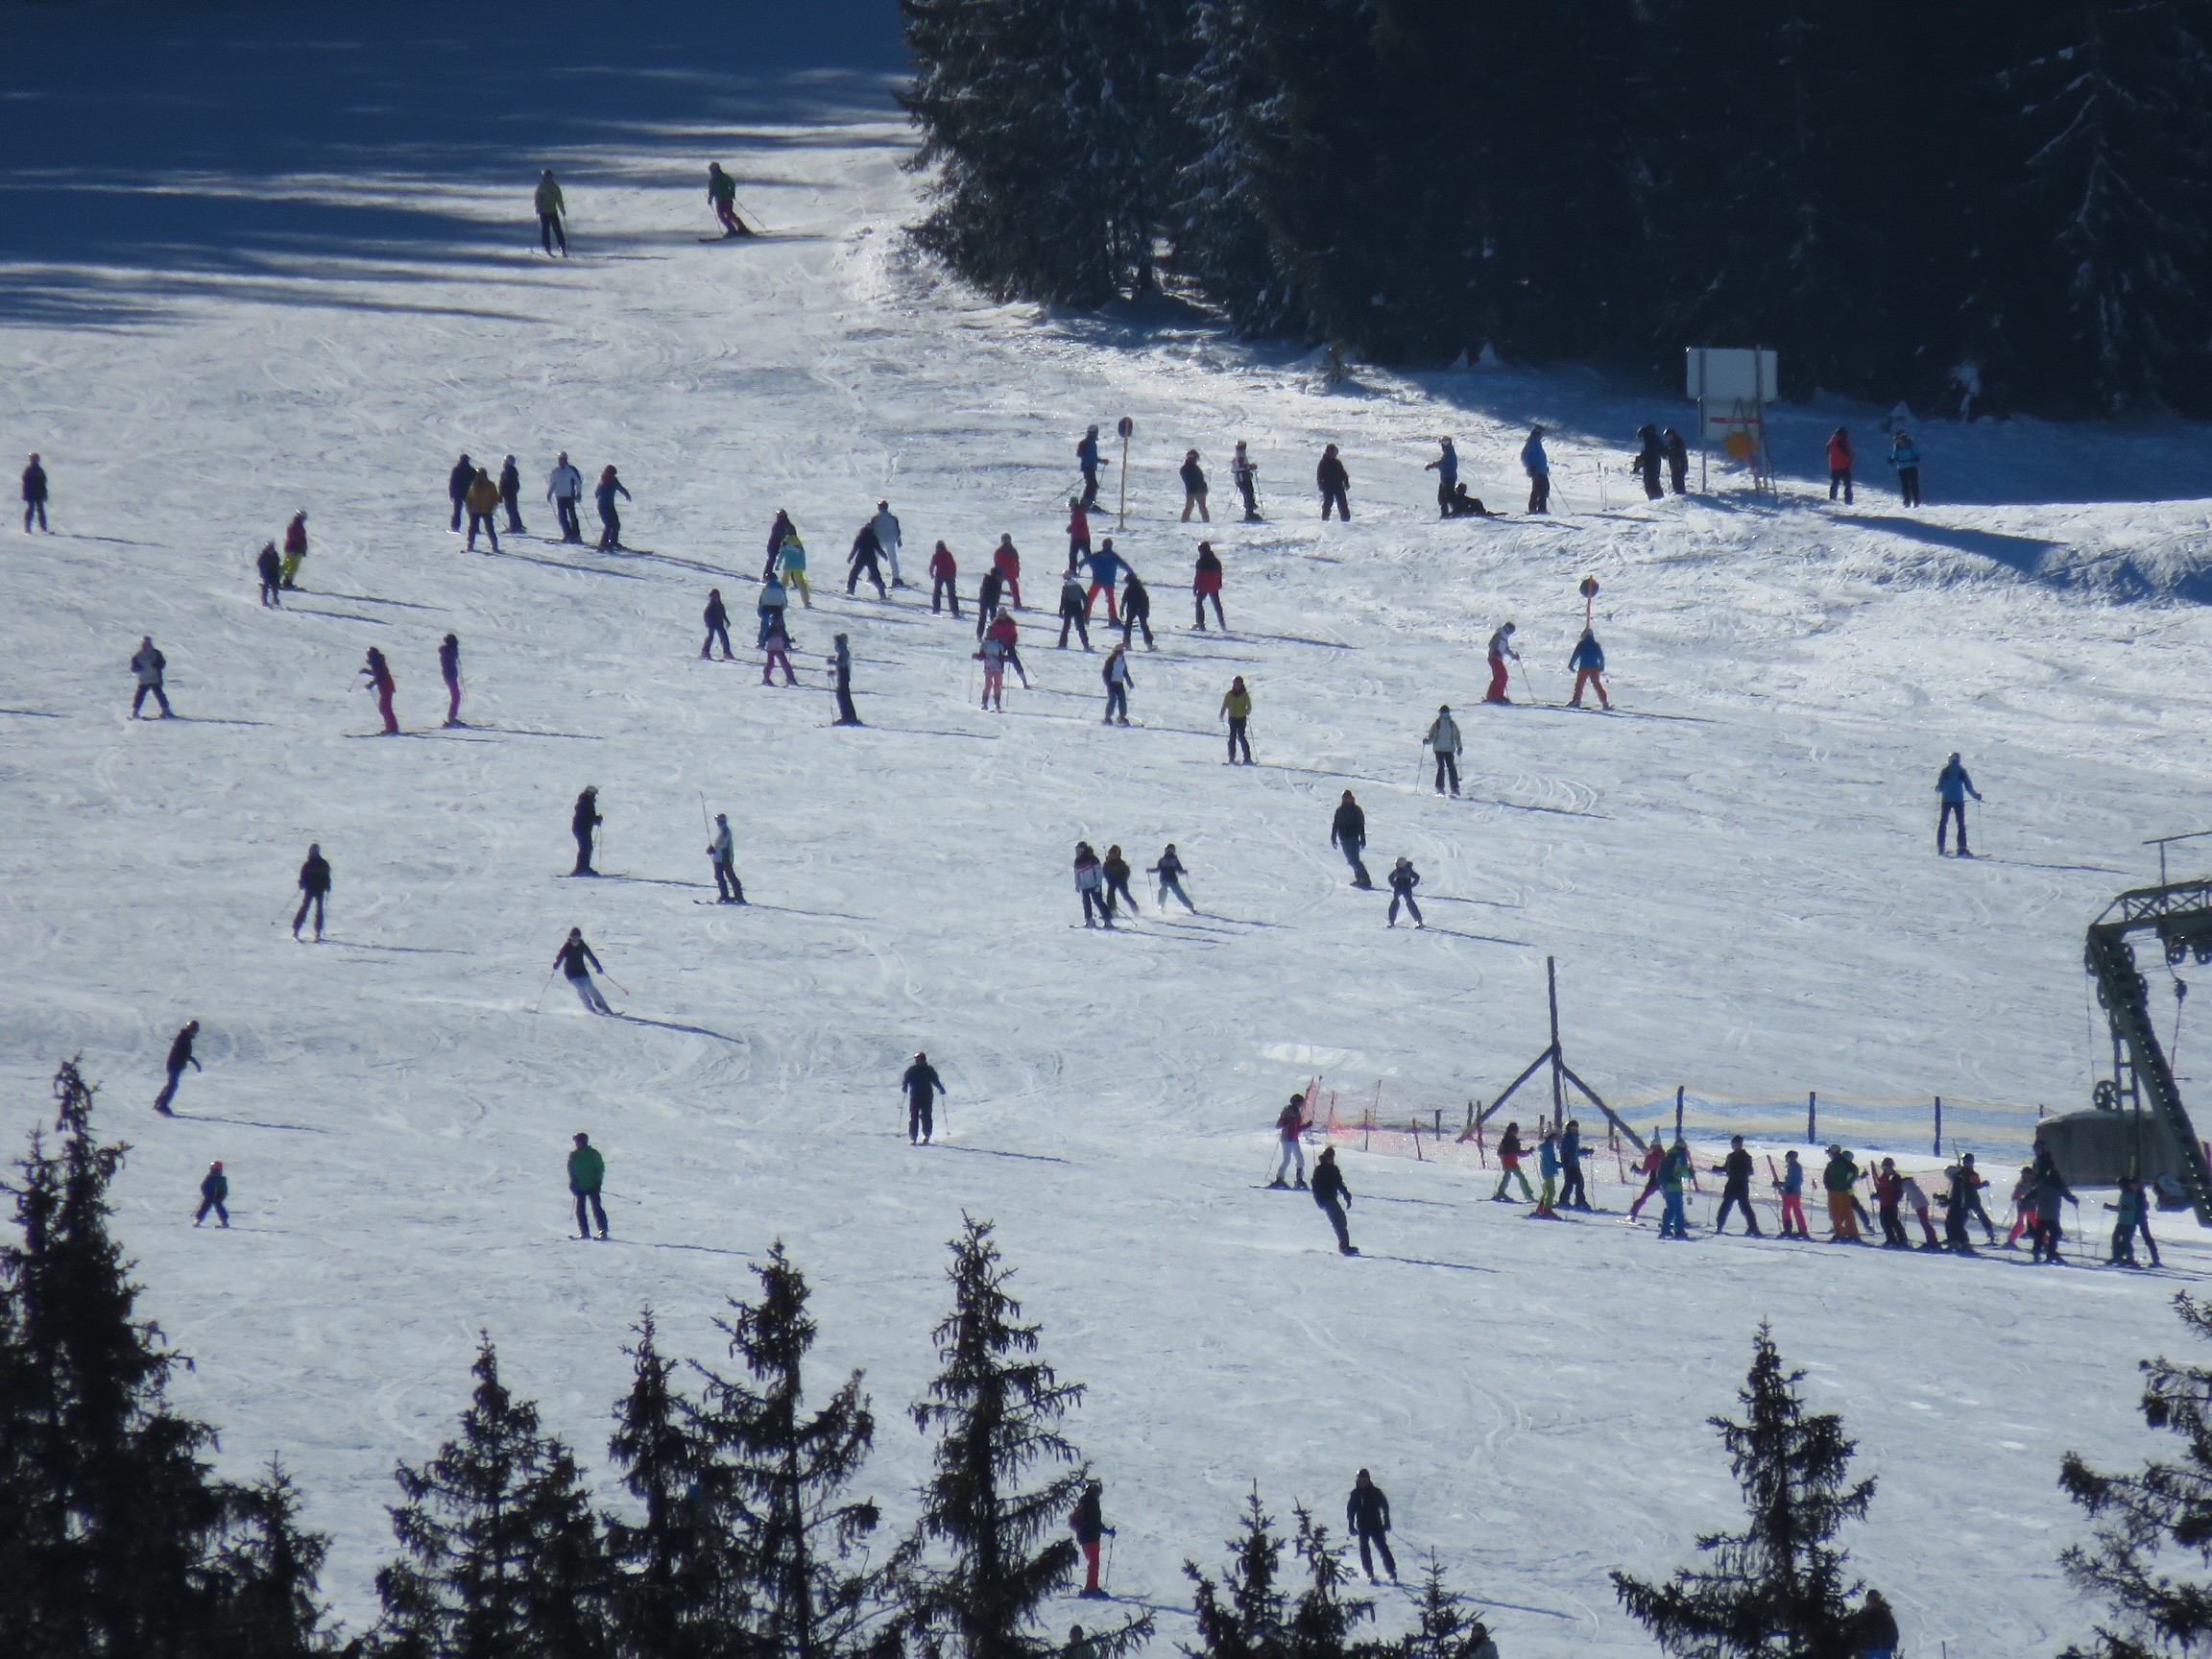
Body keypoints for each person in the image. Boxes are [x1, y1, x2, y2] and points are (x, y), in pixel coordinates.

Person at [1704, 1135, 1761, 1236]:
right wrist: (1717, 1169)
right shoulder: (1730, 1156)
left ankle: (1753, 1228)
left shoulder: (1746, 1157)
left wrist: (1742, 1172)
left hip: (1741, 1185)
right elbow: (1726, 1168)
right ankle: (1719, 1226)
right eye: (1733, 1144)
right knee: (1725, 1206)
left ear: (1740, 1144)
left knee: (1745, 1208)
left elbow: (1750, 1171)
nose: (1734, 1146)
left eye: (1736, 1144)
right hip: (1731, 1185)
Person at [1346, 1470, 1395, 1581]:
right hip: (1362, 1525)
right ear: (1357, 1481)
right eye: (1361, 1481)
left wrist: (1386, 1521)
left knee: (1382, 1547)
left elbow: (1384, 1506)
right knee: (1364, 1549)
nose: (1363, 1483)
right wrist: (1351, 1524)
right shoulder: (1355, 1494)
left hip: (1376, 1524)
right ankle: (1369, 1571)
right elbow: (1351, 1510)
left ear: (1368, 1480)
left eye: (1365, 1480)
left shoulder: (1376, 1492)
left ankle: (1391, 1571)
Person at [2032, 1148, 2075, 1263]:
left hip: (2042, 1215)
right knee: (2055, 1234)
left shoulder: (2042, 1186)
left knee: (2039, 1236)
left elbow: (2033, 1193)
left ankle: (2036, 1254)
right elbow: (2067, 1196)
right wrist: (2074, 1201)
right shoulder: (2059, 1187)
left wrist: (2024, 1199)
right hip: (2053, 1216)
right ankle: (2051, 1254)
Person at [555, 927, 613, 1015]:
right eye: (573, 939)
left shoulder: (582, 946)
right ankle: (589, 1007)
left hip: (582, 971)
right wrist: (556, 964)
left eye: (577, 939)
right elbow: (560, 957)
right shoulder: (566, 947)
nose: (575, 941)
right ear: (570, 939)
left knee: (591, 988)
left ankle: (604, 1007)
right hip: (571, 973)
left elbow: (591, 956)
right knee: (581, 988)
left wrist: (598, 967)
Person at [1070, 1479, 1113, 1597]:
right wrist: (1105, 1530)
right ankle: (1091, 1588)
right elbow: (1094, 1521)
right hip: (1090, 1536)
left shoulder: (1085, 1501)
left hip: (1085, 1536)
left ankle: (1092, 1586)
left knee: (1093, 1561)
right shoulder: (1092, 1503)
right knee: (1094, 1562)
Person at [1312, 1146, 1357, 1255]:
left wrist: (1346, 1195)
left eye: (1332, 1157)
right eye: (1329, 1157)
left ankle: (1344, 1244)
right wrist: (1319, 1197)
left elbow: (1339, 1183)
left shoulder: (1334, 1169)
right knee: (1338, 1221)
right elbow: (1315, 1185)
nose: (1331, 1159)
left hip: (1331, 1198)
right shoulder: (1320, 1170)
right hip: (1324, 1199)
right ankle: (1344, 1246)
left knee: (1342, 1219)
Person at [1936, 752, 1982, 856]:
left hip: (1946, 800)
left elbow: (1940, 787)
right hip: (1958, 801)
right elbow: (1968, 787)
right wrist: (1976, 796)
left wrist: (1938, 789)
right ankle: (1961, 848)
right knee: (1961, 824)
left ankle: (1941, 847)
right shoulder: (1961, 771)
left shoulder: (1945, 771)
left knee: (1943, 823)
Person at [155, 1021, 202, 1115]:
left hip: (175, 1064)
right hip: (174, 1064)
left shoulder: (185, 1038)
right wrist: (195, 1063)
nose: (194, 1033)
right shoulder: (184, 1039)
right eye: (194, 1031)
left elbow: (185, 1054)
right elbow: (184, 1054)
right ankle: (162, 1104)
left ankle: (159, 1101)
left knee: (172, 1084)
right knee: (173, 1085)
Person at [568, 1132, 608, 1238]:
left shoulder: (593, 1154)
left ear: (584, 1142)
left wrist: (598, 1181)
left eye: (578, 1141)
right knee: (580, 1210)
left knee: (596, 1208)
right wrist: (572, 1182)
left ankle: (603, 1230)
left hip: (593, 1185)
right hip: (580, 1187)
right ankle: (584, 1231)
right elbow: (571, 1169)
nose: (577, 1143)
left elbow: (600, 1168)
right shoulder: (574, 1155)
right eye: (576, 1141)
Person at [1331, 790, 1372, 888]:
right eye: (1345, 798)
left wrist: (1362, 838)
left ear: (1351, 798)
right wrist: (1333, 837)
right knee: (1351, 860)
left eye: (1348, 798)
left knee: (1354, 860)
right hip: (1344, 838)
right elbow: (1336, 824)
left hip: (1353, 837)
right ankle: (1359, 879)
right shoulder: (1340, 810)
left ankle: (1366, 879)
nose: (1347, 800)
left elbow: (1361, 825)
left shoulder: (1356, 810)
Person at [902, 1051, 946, 1144]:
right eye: (917, 1060)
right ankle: (913, 1137)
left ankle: (927, 1135)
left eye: (919, 1059)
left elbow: (935, 1080)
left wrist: (940, 1088)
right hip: (915, 1096)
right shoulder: (912, 1070)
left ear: (924, 1060)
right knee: (914, 1116)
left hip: (927, 1096)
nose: (918, 1061)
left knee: (926, 1116)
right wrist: (905, 1087)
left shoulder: (929, 1070)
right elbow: (906, 1079)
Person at [293, 842, 332, 941]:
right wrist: (302, 883)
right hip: (310, 889)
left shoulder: (323, 864)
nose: (312, 853)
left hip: (319, 889)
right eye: (311, 851)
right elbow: (303, 875)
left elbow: (327, 876)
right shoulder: (307, 864)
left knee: (319, 910)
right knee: (305, 908)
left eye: (314, 851)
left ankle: (318, 931)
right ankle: (296, 929)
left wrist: (327, 885)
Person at [1822, 1146, 1863, 1242]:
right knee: (1834, 1213)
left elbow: (1855, 1171)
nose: (1829, 1155)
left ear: (1834, 1153)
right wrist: (1827, 1185)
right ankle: (1839, 1233)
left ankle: (1853, 1234)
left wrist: (1849, 1183)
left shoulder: (1844, 1163)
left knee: (1846, 1213)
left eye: (1830, 1153)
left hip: (1842, 1191)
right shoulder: (1831, 1164)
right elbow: (1826, 1176)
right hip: (1832, 1192)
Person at [1270, 1094, 1308, 1189]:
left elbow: (1297, 1128)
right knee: (1287, 1159)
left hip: (1294, 1139)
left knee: (1300, 1159)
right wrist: (1284, 1122)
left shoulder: (1297, 1112)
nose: (1301, 1105)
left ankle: (1299, 1179)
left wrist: (1306, 1126)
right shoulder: (1287, 1111)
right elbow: (1278, 1125)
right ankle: (1279, 1178)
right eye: (1300, 1103)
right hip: (1287, 1139)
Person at [130, 636, 173, 718]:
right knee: (140, 696)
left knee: (159, 695)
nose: (146, 645)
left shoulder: (156, 653)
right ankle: (135, 711)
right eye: (145, 643)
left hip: (155, 678)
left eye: (148, 643)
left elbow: (162, 663)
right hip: (144, 680)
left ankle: (165, 710)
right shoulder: (138, 655)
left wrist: (157, 665)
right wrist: (137, 668)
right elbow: (133, 667)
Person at [1658, 1139, 1693, 1238]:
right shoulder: (1680, 1155)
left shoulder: (1669, 1155)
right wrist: (1689, 1173)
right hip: (1675, 1186)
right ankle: (1679, 1230)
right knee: (1678, 1209)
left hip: (1665, 1186)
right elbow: (1683, 1170)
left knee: (1670, 1208)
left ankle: (1665, 1229)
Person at [1083, 541, 1125, 624]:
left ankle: (1085, 616)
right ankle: (1113, 618)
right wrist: (1131, 573)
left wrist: (1079, 566)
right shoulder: (1113, 556)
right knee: (1110, 600)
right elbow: (1124, 565)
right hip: (1108, 581)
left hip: (1098, 580)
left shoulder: (1097, 555)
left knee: (1090, 598)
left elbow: (1086, 560)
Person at [1626, 1135, 1667, 1221]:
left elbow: (1644, 1172)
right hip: (1662, 1180)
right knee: (1670, 1200)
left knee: (1643, 1198)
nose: (1655, 1148)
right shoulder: (1664, 1156)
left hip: (1655, 1180)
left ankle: (1632, 1214)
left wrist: (1635, 1169)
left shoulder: (1650, 1157)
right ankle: (1677, 1218)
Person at [1424, 704, 1461, 796]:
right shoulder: (1437, 724)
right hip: (1439, 749)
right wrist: (1428, 741)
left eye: (1447, 713)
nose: (1445, 714)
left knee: (1451, 767)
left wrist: (1459, 747)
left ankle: (1455, 788)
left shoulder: (1451, 724)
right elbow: (1432, 736)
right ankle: (1439, 787)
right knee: (1441, 766)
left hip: (1449, 749)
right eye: (1444, 713)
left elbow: (1456, 736)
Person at [1849, 1590, 1899, 1659]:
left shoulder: (1884, 1615)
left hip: (1882, 1649)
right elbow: (1855, 1628)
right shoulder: (1864, 1614)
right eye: (1869, 1600)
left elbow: (1893, 1632)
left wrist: (1893, 1644)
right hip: (1869, 1649)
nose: (1870, 1602)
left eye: (1873, 1600)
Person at [1492, 1122, 1535, 1202]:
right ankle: (1527, 1194)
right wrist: (1528, 1152)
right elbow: (1518, 1152)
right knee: (1521, 1177)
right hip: (1511, 1160)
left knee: (1507, 1176)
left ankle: (1501, 1191)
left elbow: (1500, 1151)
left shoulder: (1505, 1139)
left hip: (1506, 1160)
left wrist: (1501, 1155)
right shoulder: (1514, 1141)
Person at [1149, 844, 1197, 914]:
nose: (1169, 852)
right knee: (1163, 891)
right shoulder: (1163, 860)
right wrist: (1150, 870)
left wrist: (1183, 872)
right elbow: (1158, 869)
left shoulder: (1174, 861)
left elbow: (1179, 871)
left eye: (1170, 851)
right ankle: (1161, 905)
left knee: (1179, 893)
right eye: (1168, 850)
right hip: (1165, 879)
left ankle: (1190, 907)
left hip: (1172, 880)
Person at [707, 161, 751, 236]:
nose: (711, 171)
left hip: (727, 199)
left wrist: (732, 192)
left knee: (730, 214)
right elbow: (712, 191)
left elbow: (732, 184)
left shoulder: (724, 177)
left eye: (712, 169)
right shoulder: (712, 181)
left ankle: (742, 228)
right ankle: (731, 229)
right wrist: (710, 198)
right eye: (711, 169)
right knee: (721, 216)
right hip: (719, 201)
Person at [547, 452, 584, 542]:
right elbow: (553, 484)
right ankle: (568, 534)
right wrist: (549, 493)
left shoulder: (570, 470)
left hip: (569, 496)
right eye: (560, 459)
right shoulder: (556, 471)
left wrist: (578, 493)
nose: (561, 461)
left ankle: (576, 535)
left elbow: (578, 482)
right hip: (560, 497)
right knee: (562, 517)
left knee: (572, 516)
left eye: (562, 459)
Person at [709, 812, 744, 903]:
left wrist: (713, 848)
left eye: (720, 821)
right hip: (719, 858)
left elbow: (722, 843)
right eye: (718, 821)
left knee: (730, 876)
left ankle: (738, 895)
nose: (718, 823)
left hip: (724, 858)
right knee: (719, 877)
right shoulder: (721, 831)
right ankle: (724, 895)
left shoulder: (725, 831)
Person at [1569, 630, 1609, 709]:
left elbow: (1575, 655)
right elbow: (1601, 656)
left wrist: (1571, 665)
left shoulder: (1581, 644)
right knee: (1597, 685)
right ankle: (1604, 702)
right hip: (1594, 668)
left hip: (1584, 667)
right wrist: (1602, 666)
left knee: (1579, 685)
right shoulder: (1596, 645)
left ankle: (1576, 700)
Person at [847, 519, 888, 598]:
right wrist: (884, 556)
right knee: (876, 576)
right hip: (871, 558)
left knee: (853, 574)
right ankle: (882, 594)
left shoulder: (860, 537)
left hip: (861, 557)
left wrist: (850, 557)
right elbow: (878, 548)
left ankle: (850, 589)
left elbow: (855, 549)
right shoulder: (873, 537)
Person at [1899, 1169, 1940, 1247]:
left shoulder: (1904, 1184)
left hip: (1920, 1204)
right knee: (1925, 1222)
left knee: (1924, 1222)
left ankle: (1932, 1240)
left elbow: (1902, 1193)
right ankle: (1931, 1240)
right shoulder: (1909, 1183)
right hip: (1921, 1203)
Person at [1054, 567, 1093, 652]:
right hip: (1078, 607)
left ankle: (1062, 644)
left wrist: (1061, 610)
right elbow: (1085, 599)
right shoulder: (1078, 586)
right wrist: (1085, 610)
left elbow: (1063, 599)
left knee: (1066, 627)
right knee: (1081, 627)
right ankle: (1086, 644)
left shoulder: (1066, 586)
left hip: (1069, 607)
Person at [464, 468, 501, 552]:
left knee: (490, 529)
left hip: (487, 510)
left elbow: (495, 497)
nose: (479, 477)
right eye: (478, 475)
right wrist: (468, 506)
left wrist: (493, 507)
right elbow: (469, 497)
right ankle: (470, 544)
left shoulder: (491, 485)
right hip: (475, 510)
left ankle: (494, 545)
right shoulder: (474, 485)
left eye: (481, 475)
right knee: (472, 529)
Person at [361, 646, 397, 734]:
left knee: (385, 708)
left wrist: (371, 684)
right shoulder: (378, 662)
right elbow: (378, 673)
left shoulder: (377, 663)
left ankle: (392, 728)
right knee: (385, 707)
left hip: (386, 687)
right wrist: (367, 672)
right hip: (387, 687)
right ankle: (391, 727)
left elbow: (379, 676)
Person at [1872, 1158, 1908, 1247]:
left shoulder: (1895, 1178)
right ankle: (1891, 1239)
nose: (1886, 1169)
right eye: (1884, 1167)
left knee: (1893, 1222)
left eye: (1888, 1167)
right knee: (1885, 1222)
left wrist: (1896, 1199)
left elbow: (1900, 1191)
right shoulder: (1883, 1178)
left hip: (1891, 1204)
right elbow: (1881, 1190)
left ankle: (1901, 1239)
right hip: (1884, 1203)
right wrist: (1875, 1195)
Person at [1074, 842, 1111, 928]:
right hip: (1084, 886)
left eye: (1080, 851)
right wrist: (1077, 884)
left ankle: (1107, 920)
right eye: (1077, 851)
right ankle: (1089, 920)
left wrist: (1098, 884)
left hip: (1094, 885)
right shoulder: (1077, 861)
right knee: (1086, 903)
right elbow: (1077, 874)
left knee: (1098, 901)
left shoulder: (1092, 859)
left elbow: (1099, 873)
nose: (1078, 853)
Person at [594, 465, 630, 552]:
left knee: (615, 525)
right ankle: (603, 544)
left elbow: (597, 492)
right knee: (610, 525)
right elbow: (620, 488)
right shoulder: (610, 480)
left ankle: (612, 542)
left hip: (606, 505)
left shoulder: (604, 479)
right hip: (604, 506)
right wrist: (626, 494)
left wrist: (626, 494)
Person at [1775, 1148, 1810, 1238]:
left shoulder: (1796, 1167)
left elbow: (1798, 1180)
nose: (1788, 1159)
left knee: (1788, 1210)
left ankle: (1791, 1230)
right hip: (1791, 1192)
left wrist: (1791, 1188)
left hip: (1792, 1192)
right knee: (1794, 1210)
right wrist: (1782, 1184)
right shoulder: (1791, 1167)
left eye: (1789, 1158)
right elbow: (1790, 1181)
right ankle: (1800, 1230)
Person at [1382, 857, 1424, 930]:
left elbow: (1417, 877)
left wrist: (1412, 885)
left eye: (1398, 865)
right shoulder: (1396, 871)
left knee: (1410, 903)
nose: (1397, 866)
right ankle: (1391, 920)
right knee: (1395, 902)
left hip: (1406, 888)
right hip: (1398, 887)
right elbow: (1390, 877)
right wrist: (1394, 884)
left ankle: (1419, 921)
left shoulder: (1408, 870)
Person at [1559, 1118, 1592, 1210]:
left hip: (1575, 1164)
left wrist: (1586, 1151)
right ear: (1569, 1128)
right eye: (1573, 1127)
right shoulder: (1567, 1138)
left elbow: (1576, 1151)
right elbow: (1564, 1151)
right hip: (1569, 1164)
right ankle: (1564, 1201)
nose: (1575, 1129)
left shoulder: (1575, 1137)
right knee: (1569, 1183)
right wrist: (1566, 1159)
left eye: (1576, 1127)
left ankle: (1580, 1201)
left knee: (1580, 1182)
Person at [872, 500, 905, 587]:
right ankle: (896, 578)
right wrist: (899, 540)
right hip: (891, 540)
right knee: (893, 559)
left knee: (875, 558)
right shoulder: (893, 518)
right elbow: (897, 530)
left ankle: (872, 575)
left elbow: (872, 530)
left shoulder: (875, 519)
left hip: (879, 540)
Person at [1193, 541, 1226, 631]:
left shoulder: (1200, 562)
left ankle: (1200, 624)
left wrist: (1195, 587)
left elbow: (1198, 576)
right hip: (1213, 586)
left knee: (1199, 603)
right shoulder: (1216, 561)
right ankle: (1222, 625)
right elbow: (1219, 574)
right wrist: (1219, 583)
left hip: (1203, 586)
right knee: (1217, 605)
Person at [1484, 622, 1519, 704]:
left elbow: (1506, 649)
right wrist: (1495, 651)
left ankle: (1496, 695)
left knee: (1501, 676)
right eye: (1510, 631)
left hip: (1497, 658)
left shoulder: (1504, 637)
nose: (1510, 633)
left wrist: (1513, 656)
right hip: (1494, 657)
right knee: (1502, 676)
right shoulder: (1499, 634)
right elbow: (1491, 643)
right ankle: (1494, 696)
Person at [778, 525, 812, 607]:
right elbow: (802, 555)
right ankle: (806, 601)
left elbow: (781, 554)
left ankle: (780, 598)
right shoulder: (798, 542)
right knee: (801, 583)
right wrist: (803, 566)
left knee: (784, 582)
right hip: (798, 566)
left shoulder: (785, 542)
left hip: (788, 565)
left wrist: (778, 564)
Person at [830, 634, 860, 726]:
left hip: (844, 678)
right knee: (842, 696)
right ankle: (848, 716)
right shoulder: (842, 653)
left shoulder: (845, 652)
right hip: (842, 678)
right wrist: (834, 672)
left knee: (843, 696)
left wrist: (833, 662)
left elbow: (843, 664)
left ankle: (848, 717)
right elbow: (840, 666)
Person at [1221, 676, 1253, 763]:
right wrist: (1222, 714)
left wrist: (1248, 711)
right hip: (1232, 718)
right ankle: (1231, 757)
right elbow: (1225, 705)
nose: (1237, 685)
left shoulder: (1244, 694)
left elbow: (1249, 705)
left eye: (1239, 683)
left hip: (1241, 718)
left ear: (1241, 684)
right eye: (1235, 683)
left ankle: (1247, 757)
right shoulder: (1229, 694)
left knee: (1241, 736)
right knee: (1232, 737)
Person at [535, 168, 567, 255]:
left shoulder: (555, 187)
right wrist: (537, 207)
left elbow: (559, 199)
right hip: (544, 212)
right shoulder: (541, 186)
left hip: (553, 211)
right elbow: (537, 198)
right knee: (545, 230)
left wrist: (562, 209)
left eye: (548, 177)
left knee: (557, 229)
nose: (546, 179)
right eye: (544, 177)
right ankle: (546, 247)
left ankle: (562, 247)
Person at [571, 786, 602, 877]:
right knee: (586, 848)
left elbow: (588, 817)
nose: (595, 796)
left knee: (586, 847)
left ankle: (583, 867)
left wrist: (595, 819)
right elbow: (587, 817)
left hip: (582, 828)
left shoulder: (586, 801)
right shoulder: (586, 802)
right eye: (594, 794)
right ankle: (581, 868)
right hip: (582, 828)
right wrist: (596, 819)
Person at [1101, 643, 1134, 725]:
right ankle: (1107, 717)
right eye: (1118, 652)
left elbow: (1125, 672)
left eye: (1121, 652)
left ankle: (1122, 716)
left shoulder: (1122, 661)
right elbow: (1105, 672)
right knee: (1112, 699)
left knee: (1122, 699)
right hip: (1112, 683)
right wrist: (1107, 682)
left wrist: (1129, 681)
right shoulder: (1111, 660)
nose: (1120, 654)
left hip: (1119, 682)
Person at [1120, 569, 1153, 650]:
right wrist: (1146, 610)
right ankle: (1149, 643)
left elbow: (1124, 600)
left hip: (1132, 607)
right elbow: (1146, 600)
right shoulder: (1141, 589)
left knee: (1128, 625)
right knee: (1144, 625)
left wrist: (1122, 609)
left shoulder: (1128, 589)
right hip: (1142, 608)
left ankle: (1127, 642)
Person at [1426, 438, 1459, 517]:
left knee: (1448, 495)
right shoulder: (1448, 452)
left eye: (1444, 443)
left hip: (1449, 477)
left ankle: (1457, 510)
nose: (1442, 446)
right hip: (1446, 477)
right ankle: (1445, 513)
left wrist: (1432, 465)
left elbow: (1443, 463)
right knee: (1443, 495)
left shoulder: (1449, 453)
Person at [1317, 443, 1351, 520]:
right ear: (1329, 452)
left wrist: (1346, 483)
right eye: (1334, 452)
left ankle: (1346, 519)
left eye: (1336, 452)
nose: (1335, 454)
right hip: (1328, 487)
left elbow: (1343, 474)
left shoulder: (1337, 463)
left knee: (1342, 503)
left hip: (1338, 486)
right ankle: (1325, 518)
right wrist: (1321, 485)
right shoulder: (1323, 463)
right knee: (1328, 503)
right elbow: (1320, 475)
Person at [1522, 425, 1551, 514]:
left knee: (1544, 489)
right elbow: (1524, 456)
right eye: (1541, 433)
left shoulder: (1537, 443)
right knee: (1538, 489)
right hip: (1537, 471)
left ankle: (1541, 508)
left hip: (1542, 470)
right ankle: (1534, 509)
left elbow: (1539, 457)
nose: (1542, 435)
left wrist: (1544, 467)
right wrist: (1530, 467)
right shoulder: (1532, 443)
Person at [761, 612, 797, 686]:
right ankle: (766, 678)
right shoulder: (770, 630)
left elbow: (785, 638)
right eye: (775, 621)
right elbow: (765, 638)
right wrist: (763, 642)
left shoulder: (781, 630)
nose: (777, 623)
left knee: (785, 663)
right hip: (771, 648)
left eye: (778, 621)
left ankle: (790, 678)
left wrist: (790, 641)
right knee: (770, 663)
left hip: (779, 648)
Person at [1102, 846, 1138, 918]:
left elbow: (1127, 872)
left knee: (1125, 895)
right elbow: (1105, 872)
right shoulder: (1107, 863)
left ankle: (1135, 910)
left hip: (1121, 881)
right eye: (1111, 854)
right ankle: (1113, 910)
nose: (1113, 856)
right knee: (1110, 896)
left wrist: (1123, 879)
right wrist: (1108, 878)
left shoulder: (1121, 864)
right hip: (1112, 881)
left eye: (1115, 854)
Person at [978, 624, 1008, 711]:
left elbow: (1001, 655)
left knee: (997, 684)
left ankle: (997, 703)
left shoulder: (998, 644)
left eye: (992, 633)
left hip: (997, 666)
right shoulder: (985, 644)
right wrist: (978, 656)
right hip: (988, 666)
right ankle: (984, 702)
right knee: (988, 684)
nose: (991, 634)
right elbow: (982, 655)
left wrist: (1005, 658)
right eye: (989, 633)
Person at [1888, 431, 1921, 507]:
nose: (1897, 441)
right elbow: (1895, 456)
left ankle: (1916, 501)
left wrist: (1916, 458)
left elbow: (1916, 453)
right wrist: (1892, 459)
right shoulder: (1897, 447)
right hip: (1902, 468)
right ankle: (1907, 501)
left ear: (1902, 438)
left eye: (1898, 439)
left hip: (1912, 467)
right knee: (1905, 486)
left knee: (1914, 485)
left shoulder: (1910, 445)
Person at [1230, 441, 1261, 520]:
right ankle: (1249, 513)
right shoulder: (1240, 454)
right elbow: (1241, 465)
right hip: (1242, 477)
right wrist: (1250, 467)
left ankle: (1249, 511)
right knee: (1248, 493)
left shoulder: (1238, 454)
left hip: (1240, 477)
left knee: (1248, 493)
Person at [928, 541, 960, 615]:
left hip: (940, 575)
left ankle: (936, 610)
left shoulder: (936, 555)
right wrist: (954, 574)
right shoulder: (948, 554)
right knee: (951, 593)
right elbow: (953, 565)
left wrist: (931, 574)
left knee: (937, 593)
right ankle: (955, 611)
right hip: (949, 575)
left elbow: (932, 565)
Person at [1535, 1128, 1561, 1215]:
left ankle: (1540, 1207)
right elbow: (1551, 1162)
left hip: (1546, 1171)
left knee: (1547, 1190)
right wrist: (1561, 1165)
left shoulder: (1546, 1147)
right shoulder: (1548, 1148)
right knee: (1551, 1191)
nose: (1554, 1140)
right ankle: (1547, 1209)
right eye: (1553, 1138)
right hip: (1549, 1171)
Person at [280, 509, 310, 587]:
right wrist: (298, 546)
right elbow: (296, 537)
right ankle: (287, 581)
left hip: (293, 548)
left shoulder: (295, 524)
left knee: (287, 565)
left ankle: (277, 579)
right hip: (295, 549)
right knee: (292, 566)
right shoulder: (296, 525)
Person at [195, 1161, 229, 1228]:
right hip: (211, 1197)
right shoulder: (213, 1178)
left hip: (216, 1197)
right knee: (206, 1208)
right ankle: (224, 1222)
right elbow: (204, 1186)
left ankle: (198, 1221)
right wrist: (206, 1194)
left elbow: (224, 1190)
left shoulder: (219, 1178)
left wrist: (221, 1196)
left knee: (211, 1208)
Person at [994, 534, 1023, 609]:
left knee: (996, 587)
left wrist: (996, 572)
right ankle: (1017, 603)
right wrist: (1017, 572)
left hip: (1001, 573)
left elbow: (996, 562)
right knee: (1014, 588)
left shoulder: (999, 551)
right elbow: (1017, 562)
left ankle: (993, 601)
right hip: (1011, 573)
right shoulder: (1013, 551)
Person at [1634, 425, 1664, 500]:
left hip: (1651, 463)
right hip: (1655, 462)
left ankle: (1655, 498)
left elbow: (1647, 452)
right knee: (1653, 481)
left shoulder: (1648, 439)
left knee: (1650, 481)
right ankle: (1657, 497)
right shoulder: (1653, 438)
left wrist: (1640, 460)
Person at [439, 633, 463, 726]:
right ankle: (451, 717)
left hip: (450, 675)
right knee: (456, 697)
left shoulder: (446, 651)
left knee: (456, 696)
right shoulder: (448, 651)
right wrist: (454, 648)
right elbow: (453, 656)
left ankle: (452, 716)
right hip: (450, 675)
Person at [702, 589, 733, 660]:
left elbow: (723, 614)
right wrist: (708, 623)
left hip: (719, 623)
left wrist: (727, 621)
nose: (716, 598)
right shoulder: (710, 606)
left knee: (724, 637)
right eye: (714, 597)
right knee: (711, 636)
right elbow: (706, 615)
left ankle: (727, 652)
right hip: (712, 624)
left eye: (717, 596)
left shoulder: (720, 605)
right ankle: (705, 651)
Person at [21, 452, 49, 532]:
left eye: (36, 459)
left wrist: (44, 494)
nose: (35, 461)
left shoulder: (40, 471)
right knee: (31, 509)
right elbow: (25, 483)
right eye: (33, 459)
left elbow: (43, 483)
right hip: (31, 494)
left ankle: (43, 528)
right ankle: (27, 526)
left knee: (41, 510)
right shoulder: (28, 470)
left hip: (39, 494)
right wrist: (25, 493)